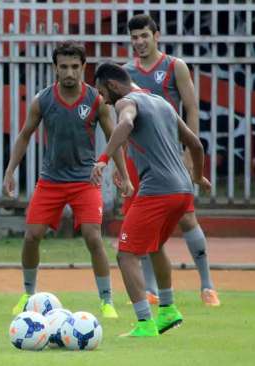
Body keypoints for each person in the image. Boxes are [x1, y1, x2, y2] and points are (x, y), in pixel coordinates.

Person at [3, 42, 132, 319]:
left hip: (85, 181)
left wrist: (120, 170)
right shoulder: (43, 100)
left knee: (93, 237)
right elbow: (25, 135)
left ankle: (106, 300)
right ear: (55, 68)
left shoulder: (96, 100)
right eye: (64, 67)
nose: (70, 72)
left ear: (84, 68)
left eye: (75, 67)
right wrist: (10, 171)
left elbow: (115, 136)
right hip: (50, 181)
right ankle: (27, 294)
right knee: (31, 236)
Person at [92, 62, 212, 337]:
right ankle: (168, 310)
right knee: (154, 246)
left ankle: (145, 323)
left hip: (158, 190)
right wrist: (197, 177)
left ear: (112, 86)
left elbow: (125, 123)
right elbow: (195, 143)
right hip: (182, 191)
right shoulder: (161, 102)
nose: (103, 100)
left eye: (102, 92)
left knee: (125, 254)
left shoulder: (127, 102)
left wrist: (102, 160)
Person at [121, 13, 220, 306]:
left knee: (187, 218)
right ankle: (150, 290)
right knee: (143, 222)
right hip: (137, 160)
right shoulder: (127, 72)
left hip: (169, 157)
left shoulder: (175, 67)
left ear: (157, 35)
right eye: (134, 38)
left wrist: (191, 153)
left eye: (144, 36)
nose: (139, 42)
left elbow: (191, 109)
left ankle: (207, 285)